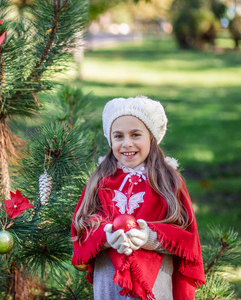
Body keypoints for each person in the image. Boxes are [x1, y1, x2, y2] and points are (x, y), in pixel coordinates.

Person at [71, 96, 205, 300]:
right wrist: (106, 237)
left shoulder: (167, 181)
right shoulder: (101, 180)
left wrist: (150, 237)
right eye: (118, 136)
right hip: (110, 280)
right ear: (110, 140)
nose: (127, 143)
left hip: (156, 279)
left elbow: (186, 237)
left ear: (151, 137)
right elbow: (82, 226)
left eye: (135, 135)